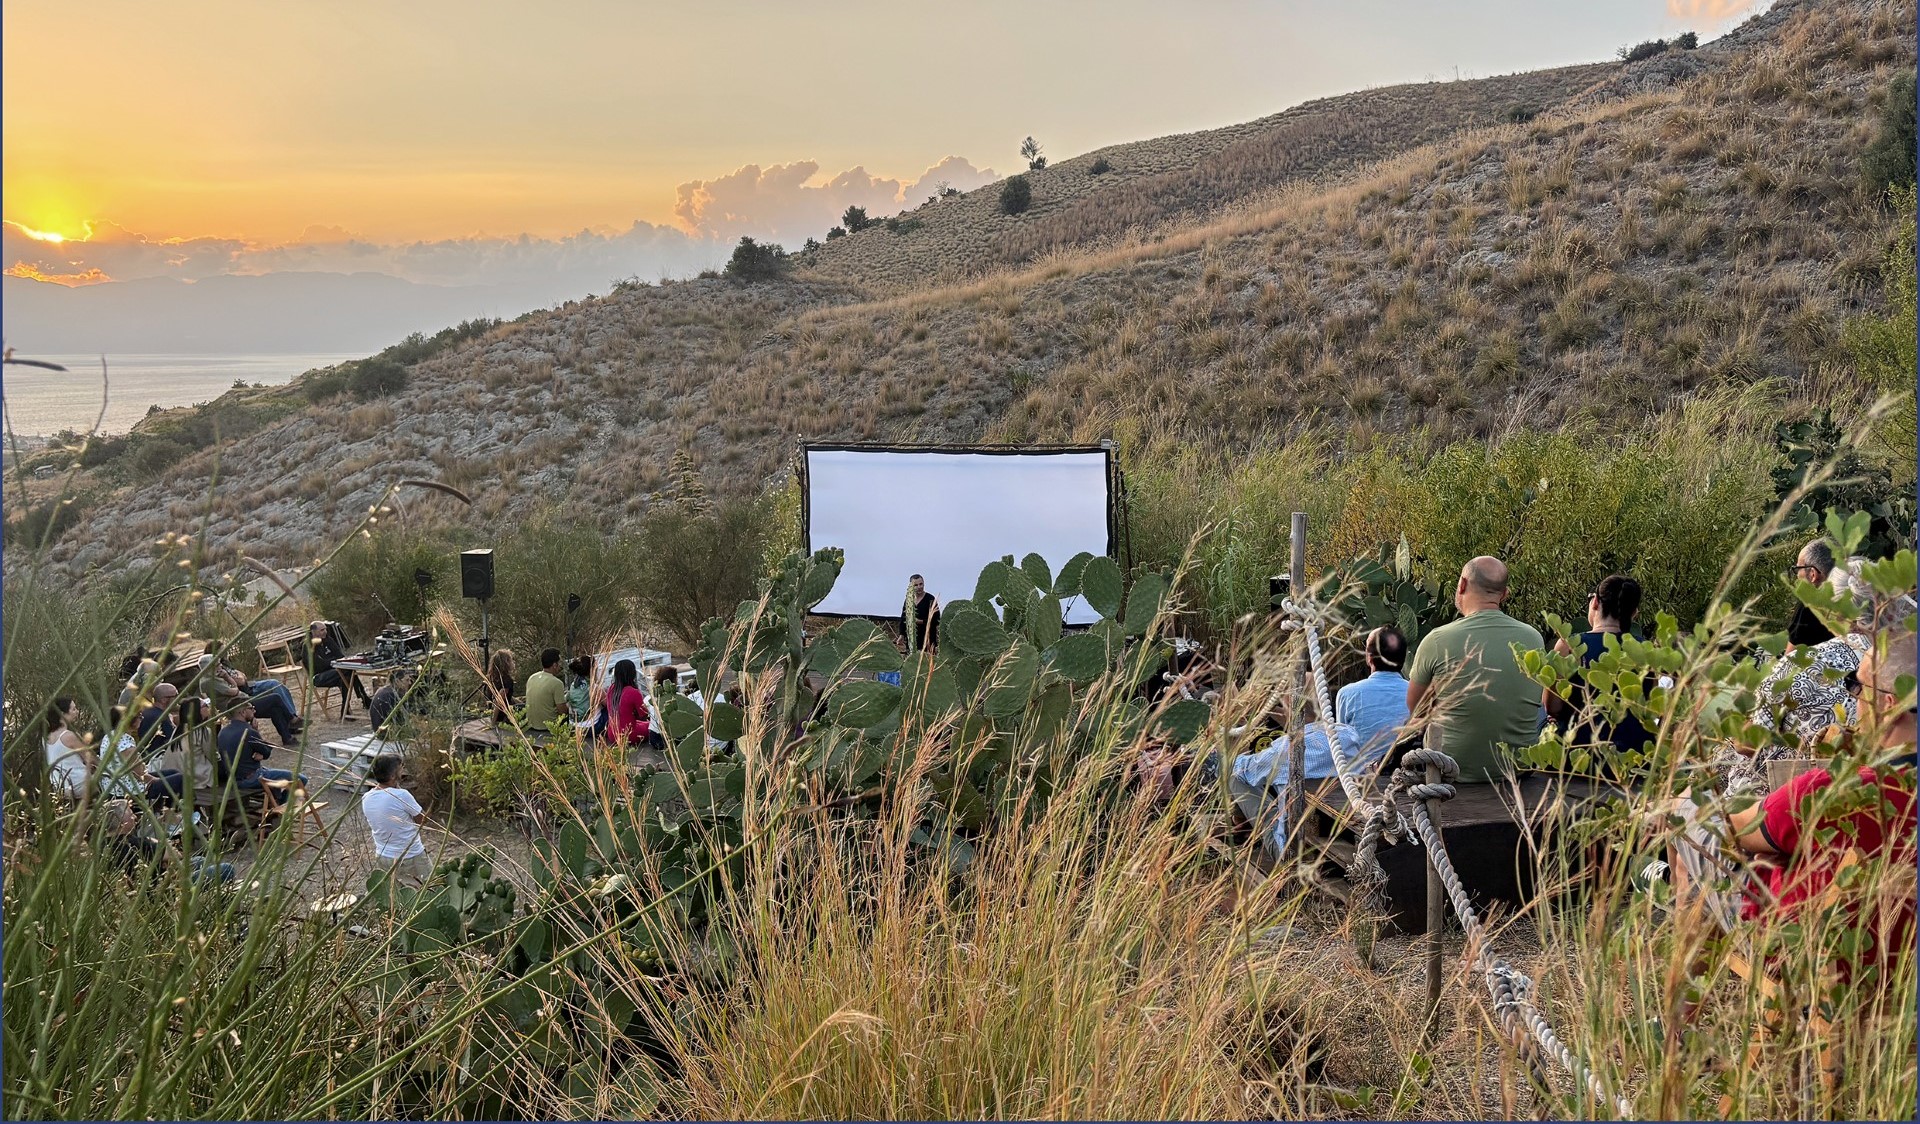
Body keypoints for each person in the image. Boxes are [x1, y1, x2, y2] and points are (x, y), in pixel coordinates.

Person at [1672, 631, 1916, 957]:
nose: (1853, 697)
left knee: (1687, 808)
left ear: (1891, 703)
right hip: (1899, 979)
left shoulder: (1830, 792)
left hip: (1801, 957)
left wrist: (1782, 834)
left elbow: (1733, 828)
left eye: (1857, 687)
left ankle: (1679, 1000)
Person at [1405, 556, 1545, 783]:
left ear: (1461, 585)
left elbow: (1415, 711)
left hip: (1452, 771)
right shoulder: (1534, 638)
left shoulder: (1437, 640)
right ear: (1504, 594)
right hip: (1518, 771)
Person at [1229, 697, 1366, 857]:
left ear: (1291, 712)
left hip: (1289, 848)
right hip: (1341, 823)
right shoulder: (1348, 734)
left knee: (1233, 773)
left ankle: (1241, 823)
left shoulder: (1285, 749)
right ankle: (1243, 822)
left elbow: (1240, 768)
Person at [1543, 574, 1653, 757]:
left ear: (1595, 602)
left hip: (1578, 754)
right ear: (1634, 613)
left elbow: (1552, 708)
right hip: (1633, 757)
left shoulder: (1569, 645)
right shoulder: (1647, 650)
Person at [1336, 626, 1412, 766]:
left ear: (1369, 657)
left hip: (1361, 779)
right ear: (1404, 657)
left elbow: (1342, 745)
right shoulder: (1416, 694)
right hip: (1406, 774)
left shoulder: (1347, 693)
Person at [199, 647, 303, 746]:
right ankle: (291, 719)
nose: (220, 666)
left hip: (243, 701)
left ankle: (287, 738)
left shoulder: (215, 677)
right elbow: (234, 691)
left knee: (274, 709)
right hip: (237, 707)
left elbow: (235, 687)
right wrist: (228, 679)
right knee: (275, 698)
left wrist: (227, 677)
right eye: (217, 665)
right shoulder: (210, 681)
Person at [216, 701, 307, 810]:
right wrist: (256, 732)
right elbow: (266, 752)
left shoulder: (223, 732)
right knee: (300, 779)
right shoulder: (249, 732)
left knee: (274, 776)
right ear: (243, 712)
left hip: (234, 779)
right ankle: (281, 808)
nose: (254, 711)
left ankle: (275, 803)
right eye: (251, 708)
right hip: (251, 778)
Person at [361, 754, 431, 888]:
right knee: (428, 890)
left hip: (383, 856)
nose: (403, 769)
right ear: (393, 776)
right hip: (409, 856)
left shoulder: (366, 798)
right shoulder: (402, 795)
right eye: (401, 768)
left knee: (399, 897)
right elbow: (422, 820)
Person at [1783, 537, 1839, 649]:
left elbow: (1790, 660)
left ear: (1813, 574)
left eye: (1798, 568)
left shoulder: (1809, 608)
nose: (1797, 575)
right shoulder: (1863, 595)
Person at [306, 620, 371, 712]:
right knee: (347, 671)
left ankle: (346, 708)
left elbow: (340, 656)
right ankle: (364, 698)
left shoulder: (328, 640)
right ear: (313, 632)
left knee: (346, 676)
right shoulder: (308, 646)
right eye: (322, 630)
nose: (325, 632)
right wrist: (334, 662)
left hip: (335, 672)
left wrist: (333, 662)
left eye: (325, 629)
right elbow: (319, 665)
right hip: (318, 677)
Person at [43, 697, 93, 801]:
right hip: (79, 784)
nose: (77, 712)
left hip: (59, 786)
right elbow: (90, 758)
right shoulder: (69, 736)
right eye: (73, 709)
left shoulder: (45, 738)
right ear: (62, 714)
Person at [603, 659, 653, 748]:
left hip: (612, 734)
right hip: (629, 735)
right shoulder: (634, 692)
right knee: (650, 726)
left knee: (638, 723)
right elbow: (644, 715)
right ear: (632, 674)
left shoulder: (611, 689)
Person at [524, 647, 568, 729]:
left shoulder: (532, 678)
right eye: (559, 662)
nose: (560, 666)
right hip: (549, 727)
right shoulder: (557, 683)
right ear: (555, 665)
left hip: (530, 724)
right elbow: (562, 711)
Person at [368, 667, 418, 738]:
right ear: (397, 681)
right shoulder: (393, 695)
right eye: (406, 680)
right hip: (386, 733)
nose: (409, 683)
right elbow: (403, 718)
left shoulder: (385, 690)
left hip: (380, 729)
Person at [902, 575, 940, 654]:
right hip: (912, 640)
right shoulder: (909, 600)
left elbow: (936, 619)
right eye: (916, 585)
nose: (919, 587)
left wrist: (921, 621)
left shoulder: (930, 599)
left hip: (928, 639)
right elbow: (903, 617)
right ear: (911, 587)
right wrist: (901, 634)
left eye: (921, 584)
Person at [487, 648, 517, 726]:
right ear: (506, 662)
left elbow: (504, 696)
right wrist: (493, 722)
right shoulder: (507, 680)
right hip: (503, 716)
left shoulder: (491, 677)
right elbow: (499, 700)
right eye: (511, 660)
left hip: (491, 712)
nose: (513, 662)